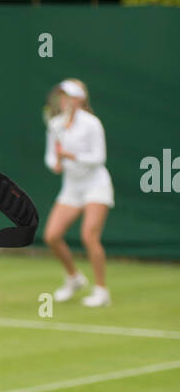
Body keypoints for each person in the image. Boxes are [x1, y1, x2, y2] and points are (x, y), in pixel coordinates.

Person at [43, 78, 114, 308]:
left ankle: (101, 291)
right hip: (72, 187)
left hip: (96, 184)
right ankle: (74, 278)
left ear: (79, 100)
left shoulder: (92, 123)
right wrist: (56, 163)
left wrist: (72, 156)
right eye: (61, 96)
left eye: (69, 96)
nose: (64, 100)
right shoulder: (55, 124)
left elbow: (99, 158)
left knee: (89, 236)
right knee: (52, 236)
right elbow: (51, 156)